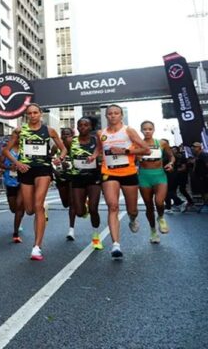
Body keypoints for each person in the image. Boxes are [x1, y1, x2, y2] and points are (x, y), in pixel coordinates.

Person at [3, 103, 66, 261]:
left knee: (37, 206)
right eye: (29, 113)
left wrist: (60, 158)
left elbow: (63, 149)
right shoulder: (19, 131)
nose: (32, 115)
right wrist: (17, 164)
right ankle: (41, 207)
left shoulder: (49, 131)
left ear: (41, 114)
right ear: (26, 115)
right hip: (25, 170)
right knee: (29, 209)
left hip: (43, 169)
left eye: (35, 113)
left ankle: (37, 247)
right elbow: (5, 150)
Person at [98, 104, 150, 260]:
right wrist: (94, 156)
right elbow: (100, 149)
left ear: (121, 116)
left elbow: (146, 149)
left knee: (132, 209)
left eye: (116, 113)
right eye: (110, 113)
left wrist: (125, 151)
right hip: (109, 172)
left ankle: (133, 218)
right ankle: (116, 245)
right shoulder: (101, 133)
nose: (113, 116)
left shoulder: (129, 131)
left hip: (128, 172)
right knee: (112, 206)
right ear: (106, 116)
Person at [68, 118, 103, 249]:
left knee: (94, 208)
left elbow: (102, 153)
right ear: (77, 128)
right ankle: (84, 208)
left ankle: (95, 237)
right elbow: (64, 153)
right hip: (77, 178)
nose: (83, 127)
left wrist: (98, 159)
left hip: (94, 178)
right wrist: (61, 160)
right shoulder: (71, 141)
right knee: (79, 212)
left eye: (86, 125)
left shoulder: (96, 140)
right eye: (80, 125)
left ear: (90, 127)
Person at [137, 121, 174, 244]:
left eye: (150, 129)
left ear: (153, 130)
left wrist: (171, 163)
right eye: (145, 129)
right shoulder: (137, 144)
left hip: (159, 176)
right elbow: (131, 157)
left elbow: (171, 156)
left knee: (159, 202)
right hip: (144, 176)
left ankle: (161, 217)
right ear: (141, 130)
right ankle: (153, 231)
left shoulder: (162, 143)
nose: (147, 131)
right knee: (149, 206)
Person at [53, 128, 76, 240]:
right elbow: (47, 159)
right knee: (65, 203)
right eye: (63, 134)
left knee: (72, 203)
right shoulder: (56, 147)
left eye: (67, 135)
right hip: (60, 177)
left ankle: (71, 230)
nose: (65, 137)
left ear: (72, 135)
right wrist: (54, 171)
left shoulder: (76, 146)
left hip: (73, 177)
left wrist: (71, 164)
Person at [0, 148, 24, 243]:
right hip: (10, 181)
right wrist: (9, 167)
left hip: (23, 181)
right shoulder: (6, 150)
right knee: (13, 208)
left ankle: (15, 233)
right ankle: (19, 218)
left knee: (19, 206)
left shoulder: (25, 148)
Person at [188, 142, 208, 213]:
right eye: (193, 147)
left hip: (205, 176)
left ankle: (206, 205)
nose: (193, 148)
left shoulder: (203, 154)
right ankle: (205, 204)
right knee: (203, 191)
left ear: (199, 147)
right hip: (200, 176)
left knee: (205, 191)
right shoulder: (197, 155)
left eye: (195, 147)